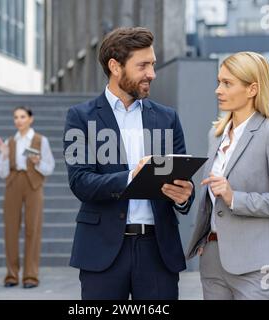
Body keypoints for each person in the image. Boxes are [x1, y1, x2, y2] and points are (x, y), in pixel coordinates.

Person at [63, 27, 195, 300]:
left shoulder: (168, 118)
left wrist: (184, 196)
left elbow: (183, 182)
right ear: (115, 66)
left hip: (158, 252)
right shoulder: (80, 117)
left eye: (153, 65)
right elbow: (80, 182)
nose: (152, 74)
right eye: (143, 65)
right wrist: (131, 177)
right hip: (102, 252)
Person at [186, 51, 269, 300]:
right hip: (213, 259)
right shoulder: (216, 134)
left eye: (227, 83)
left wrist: (235, 198)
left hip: (257, 263)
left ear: (252, 89)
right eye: (219, 82)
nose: (218, 89)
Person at [0, 106, 55, 289]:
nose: (19, 120)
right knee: (11, 230)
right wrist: (5, 156)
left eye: (22, 116)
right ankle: (12, 274)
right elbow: (2, 172)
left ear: (30, 119)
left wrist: (38, 163)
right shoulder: (10, 141)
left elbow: (49, 167)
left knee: (33, 229)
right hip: (14, 182)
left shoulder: (40, 140)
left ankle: (30, 275)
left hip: (34, 184)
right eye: (16, 117)